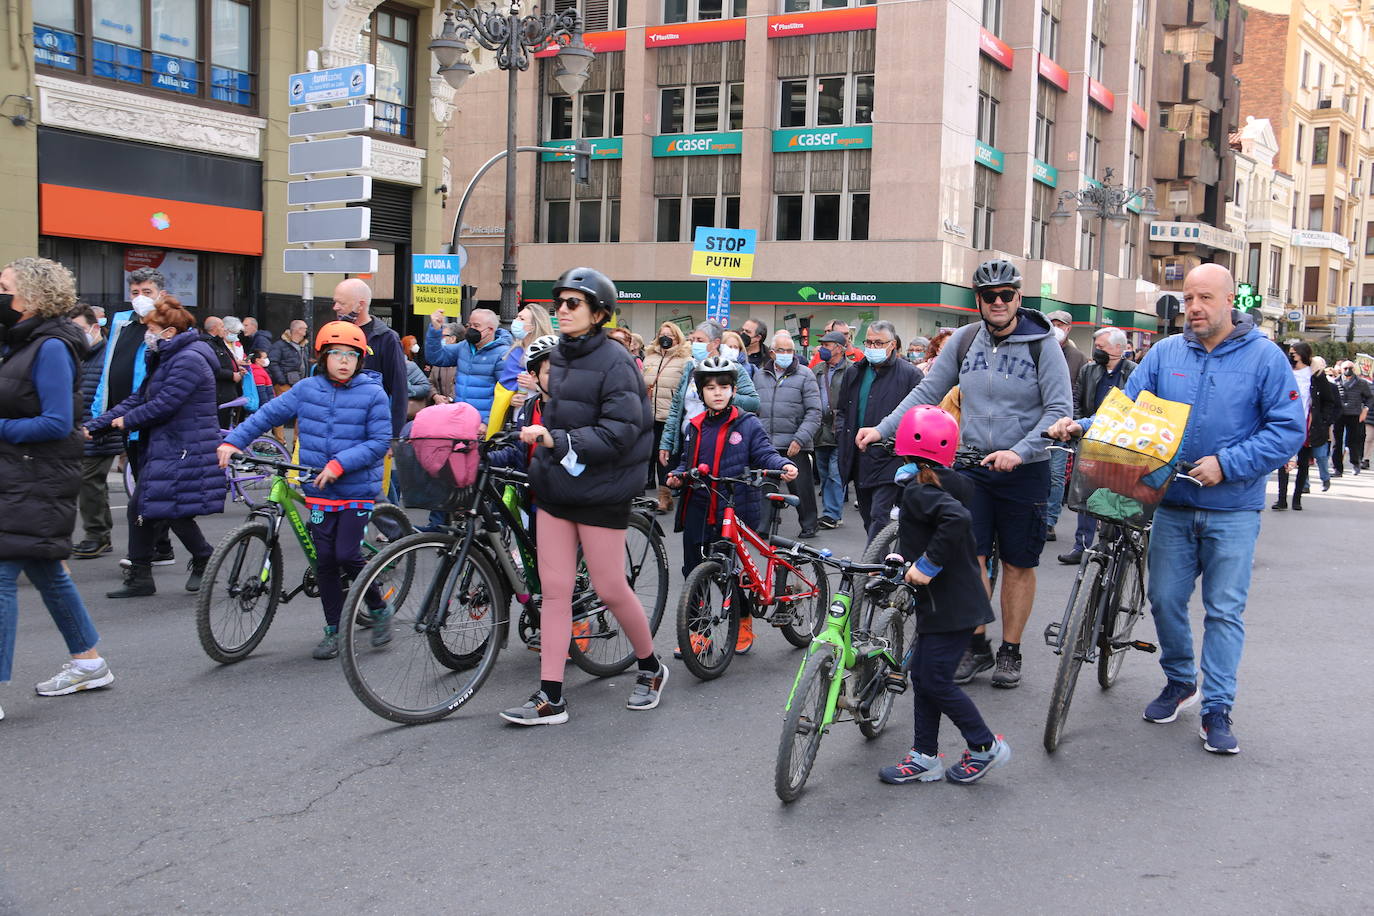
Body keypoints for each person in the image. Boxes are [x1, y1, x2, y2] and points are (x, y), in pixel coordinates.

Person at [1047, 263, 1304, 754]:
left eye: (1204, 298)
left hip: (1233, 508)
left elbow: (1287, 429)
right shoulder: (1165, 354)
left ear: (1232, 301)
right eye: (1187, 299)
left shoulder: (1266, 358)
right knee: (1164, 600)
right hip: (1173, 503)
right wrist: (1084, 426)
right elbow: (1128, 409)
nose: (1194, 308)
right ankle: (1181, 681)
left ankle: (1218, 708)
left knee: (1224, 611)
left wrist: (1228, 464)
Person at [856, 258, 1073, 689]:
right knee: (971, 559)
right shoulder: (966, 340)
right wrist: (883, 427)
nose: (997, 302)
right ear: (977, 300)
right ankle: (977, 646)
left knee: (1017, 564)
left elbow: (1059, 410)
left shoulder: (1042, 344)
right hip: (971, 466)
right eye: (989, 296)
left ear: (1018, 298)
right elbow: (927, 391)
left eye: (1005, 295)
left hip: (1024, 469)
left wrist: (1020, 450)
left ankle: (1010, 650)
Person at [499, 267, 665, 726]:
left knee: (611, 588)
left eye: (574, 303)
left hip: (602, 490)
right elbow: (557, 415)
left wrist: (560, 441)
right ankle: (550, 696)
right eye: (560, 302)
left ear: (599, 314)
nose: (563, 309)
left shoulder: (616, 361)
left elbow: (622, 431)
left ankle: (650, 667)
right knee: (553, 593)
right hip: (556, 487)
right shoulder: (562, 355)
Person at [218, 321, 392, 659]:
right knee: (324, 560)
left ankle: (378, 606)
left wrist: (340, 463)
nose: (344, 361)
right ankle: (334, 629)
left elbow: (379, 442)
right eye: (337, 354)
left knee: (347, 554)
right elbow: (267, 415)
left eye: (351, 356)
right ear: (324, 356)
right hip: (318, 489)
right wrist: (233, 441)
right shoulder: (307, 389)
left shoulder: (372, 394)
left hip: (355, 487)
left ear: (360, 361)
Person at [0, 257, 114, 714]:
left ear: (30, 295)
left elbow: (56, 422)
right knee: (46, 569)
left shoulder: (49, 347)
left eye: (4, 286)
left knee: (3, 576)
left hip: (37, 475)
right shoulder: (25, 342)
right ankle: (88, 663)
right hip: (24, 474)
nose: (0, 293)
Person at [878, 406, 1008, 785]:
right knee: (923, 675)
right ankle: (924, 756)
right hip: (952, 602)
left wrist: (927, 565)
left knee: (934, 680)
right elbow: (930, 530)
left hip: (950, 603)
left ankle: (985, 747)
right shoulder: (941, 482)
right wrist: (902, 557)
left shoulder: (920, 489)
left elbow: (956, 521)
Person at [87, 296, 225, 598]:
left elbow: (164, 404)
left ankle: (203, 558)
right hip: (170, 443)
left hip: (186, 445)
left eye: (152, 328)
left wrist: (126, 422)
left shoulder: (189, 359)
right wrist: (98, 424)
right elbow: (140, 397)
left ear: (170, 332)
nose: (147, 334)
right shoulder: (165, 355)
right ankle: (142, 576)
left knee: (169, 509)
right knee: (146, 506)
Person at [668, 356, 798, 655]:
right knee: (694, 573)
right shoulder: (695, 426)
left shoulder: (747, 423)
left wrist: (783, 464)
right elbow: (687, 463)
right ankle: (699, 632)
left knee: (734, 573)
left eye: (724, 387)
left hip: (733, 506)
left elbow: (765, 453)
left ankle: (742, 621)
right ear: (700, 392)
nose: (717, 392)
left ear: (733, 390)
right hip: (699, 506)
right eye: (710, 387)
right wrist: (677, 475)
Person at [91, 267, 175, 566]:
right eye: (135, 293)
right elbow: (110, 364)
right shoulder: (122, 323)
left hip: (149, 418)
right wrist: (99, 411)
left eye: (147, 292)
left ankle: (150, 551)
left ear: (161, 295)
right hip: (123, 416)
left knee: (147, 489)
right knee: (143, 481)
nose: (140, 298)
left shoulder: (168, 325)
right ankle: (161, 546)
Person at [834, 320, 923, 539]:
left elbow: (919, 417)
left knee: (879, 514)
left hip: (891, 458)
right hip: (858, 455)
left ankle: (873, 569)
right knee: (867, 515)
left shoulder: (910, 375)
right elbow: (843, 410)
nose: (872, 348)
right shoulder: (855, 372)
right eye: (869, 342)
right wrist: (842, 435)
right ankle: (881, 560)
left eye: (878, 343)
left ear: (892, 345)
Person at [1057, 327, 1137, 564]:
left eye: (1102, 347)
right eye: (1096, 347)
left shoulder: (1134, 373)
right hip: (1091, 438)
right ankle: (1081, 545)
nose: (1097, 351)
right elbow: (1077, 400)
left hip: (1121, 443)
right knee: (1086, 495)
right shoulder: (1088, 370)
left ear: (1119, 349)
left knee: (1118, 495)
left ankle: (1122, 543)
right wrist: (1080, 429)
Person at [659, 321, 761, 470]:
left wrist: (727, 397)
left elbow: (754, 402)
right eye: (693, 340)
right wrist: (666, 443)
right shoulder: (690, 367)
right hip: (687, 440)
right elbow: (676, 408)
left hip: (717, 441)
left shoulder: (733, 368)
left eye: (700, 340)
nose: (695, 344)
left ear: (715, 343)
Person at [755, 329, 822, 539]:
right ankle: (763, 528)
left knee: (801, 487)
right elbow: (754, 408)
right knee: (765, 487)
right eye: (781, 350)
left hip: (795, 443)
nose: (786, 354)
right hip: (767, 442)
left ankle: (810, 524)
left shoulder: (805, 374)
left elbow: (814, 411)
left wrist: (800, 439)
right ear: (773, 353)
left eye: (790, 350)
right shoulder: (759, 375)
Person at [69, 305, 123, 559]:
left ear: (95, 327)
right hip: (81, 430)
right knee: (94, 484)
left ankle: (97, 535)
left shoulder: (106, 357)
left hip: (99, 430)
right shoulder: (79, 355)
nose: (75, 334)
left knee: (89, 481)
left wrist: (98, 427)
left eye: (79, 329)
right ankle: (100, 535)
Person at [333, 279, 409, 437]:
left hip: (370, 432)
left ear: (360, 305)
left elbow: (399, 390)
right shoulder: (333, 334)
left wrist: (394, 436)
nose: (335, 307)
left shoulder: (387, 338)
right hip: (334, 428)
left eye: (341, 303)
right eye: (335, 302)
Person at [1273, 341, 1338, 511]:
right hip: (1286, 421)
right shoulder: (1285, 372)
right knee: (1283, 462)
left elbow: (1328, 401)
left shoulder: (1315, 375)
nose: (1291, 356)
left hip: (1307, 424)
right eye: (1290, 353)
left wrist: (1322, 421)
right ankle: (1281, 499)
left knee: (1303, 463)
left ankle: (1297, 499)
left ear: (1303, 354)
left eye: (1294, 353)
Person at [1044, 311, 1089, 543]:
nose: (1056, 328)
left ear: (1069, 328)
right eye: (1052, 324)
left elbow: (1079, 393)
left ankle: (1050, 521)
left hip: (1064, 426)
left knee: (1055, 474)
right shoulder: (1039, 349)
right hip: (1039, 424)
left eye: (1060, 324)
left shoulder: (1078, 358)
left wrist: (1076, 422)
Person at [425, 306, 512, 425]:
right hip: (460, 419)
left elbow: (505, 394)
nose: (471, 329)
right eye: (470, 325)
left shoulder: (502, 354)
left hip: (482, 424)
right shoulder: (464, 347)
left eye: (476, 326)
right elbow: (436, 357)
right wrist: (435, 330)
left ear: (490, 330)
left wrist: (487, 422)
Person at [642, 322, 690, 514]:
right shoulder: (649, 357)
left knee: (665, 458)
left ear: (677, 338)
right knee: (648, 454)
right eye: (662, 334)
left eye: (670, 335)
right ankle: (645, 495)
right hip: (647, 415)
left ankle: (665, 496)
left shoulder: (685, 360)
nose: (666, 338)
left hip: (669, 416)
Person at [812, 330, 853, 529]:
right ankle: (830, 511)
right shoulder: (817, 370)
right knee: (824, 472)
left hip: (842, 427)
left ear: (839, 348)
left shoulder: (852, 370)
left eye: (827, 345)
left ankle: (832, 514)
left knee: (835, 473)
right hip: (820, 428)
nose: (822, 348)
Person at [502, 303, 555, 414]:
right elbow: (504, 387)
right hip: (516, 416)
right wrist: (510, 400)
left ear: (533, 326)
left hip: (541, 414)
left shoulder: (549, 353)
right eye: (517, 317)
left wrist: (536, 386)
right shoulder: (514, 352)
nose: (515, 321)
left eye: (521, 318)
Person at [1331, 359, 1372, 477]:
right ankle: (1337, 468)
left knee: (1354, 441)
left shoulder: (1361, 383)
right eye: (1345, 368)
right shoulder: (1336, 382)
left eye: (1350, 368)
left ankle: (1355, 463)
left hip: (1354, 414)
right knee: (1337, 442)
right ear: (1341, 370)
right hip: (1339, 415)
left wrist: (1365, 410)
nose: (1348, 371)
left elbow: (1369, 397)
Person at [200, 315, 243, 428]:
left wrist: (237, 368)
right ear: (214, 328)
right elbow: (212, 368)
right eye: (222, 326)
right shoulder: (207, 344)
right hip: (219, 394)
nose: (225, 329)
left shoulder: (219, 343)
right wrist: (232, 375)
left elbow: (226, 361)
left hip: (227, 393)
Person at [1309, 356, 1335, 490]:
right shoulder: (1302, 378)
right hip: (1304, 423)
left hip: (1318, 424)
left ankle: (1325, 478)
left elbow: (1330, 403)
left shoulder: (1324, 382)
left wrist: (1325, 420)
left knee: (1320, 455)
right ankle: (1304, 484)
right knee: (1303, 457)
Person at [268, 320, 310, 396]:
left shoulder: (304, 347)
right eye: (305, 328)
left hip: (300, 385)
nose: (306, 331)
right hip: (284, 386)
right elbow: (272, 362)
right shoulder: (279, 345)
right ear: (298, 330)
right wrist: (281, 380)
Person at [428, 323, 460, 403]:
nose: (440, 340)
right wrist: (435, 396)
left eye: (443, 336)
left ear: (453, 339)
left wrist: (450, 399)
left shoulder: (462, 360)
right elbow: (430, 382)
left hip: (457, 408)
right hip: (440, 408)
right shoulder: (439, 361)